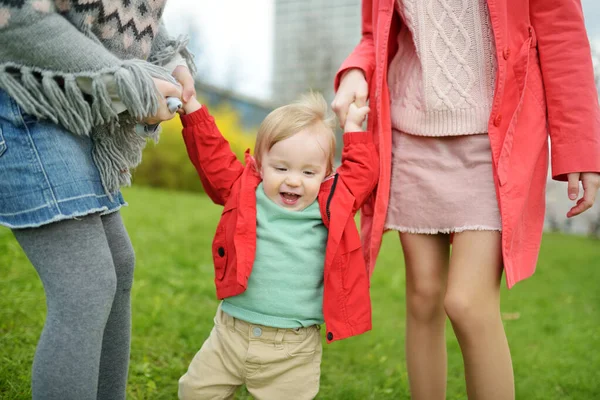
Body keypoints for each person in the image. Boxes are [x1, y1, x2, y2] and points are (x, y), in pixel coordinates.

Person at [332, 0, 600, 399]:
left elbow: (562, 35)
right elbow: (376, 33)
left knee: (468, 303)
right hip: (411, 136)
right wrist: (356, 68)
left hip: (494, 144)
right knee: (423, 296)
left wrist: (580, 148)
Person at [0, 1, 196, 399]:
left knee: (118, 267)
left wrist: (169, 58)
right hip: (24, 99)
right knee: (85, 286)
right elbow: (13, 14)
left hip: (73, 105)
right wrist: (125, 78)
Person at [176, 91, 377, 400]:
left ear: (327, 174)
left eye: (308, 172)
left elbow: (362, 173)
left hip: (293, 349)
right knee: (194, 393)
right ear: (260, 165)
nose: (293, 181)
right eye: (281, 168)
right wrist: (191, 105)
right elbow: (212, 156)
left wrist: (352, 129)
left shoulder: (333, 203)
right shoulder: (243, 190)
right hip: (229, 335)